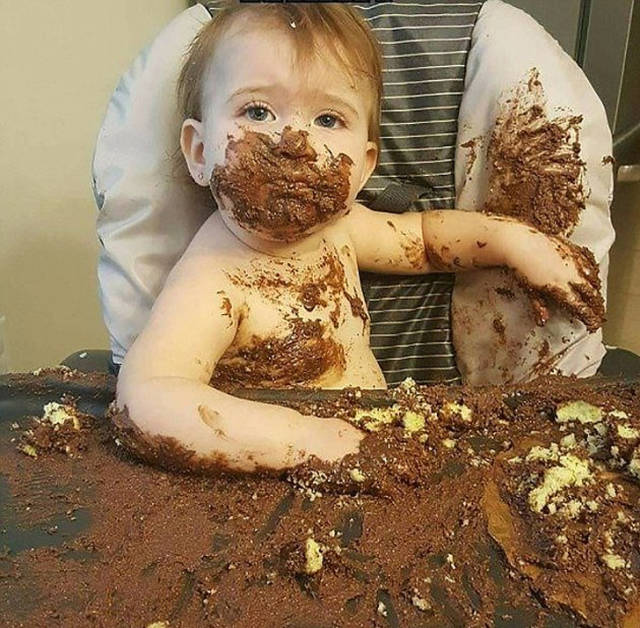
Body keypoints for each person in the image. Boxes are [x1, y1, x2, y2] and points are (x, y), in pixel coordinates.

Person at [116, 2, 603, 473]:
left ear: (365, 167)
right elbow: (148, 397)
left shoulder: (341, 230)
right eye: (258, 112)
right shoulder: (213, 281)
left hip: (378, 451)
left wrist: (516, 242)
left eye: (328, 120)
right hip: (282, 481)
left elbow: (425, 240)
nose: (294, 141)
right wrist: (305, 441)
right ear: (199, 152)